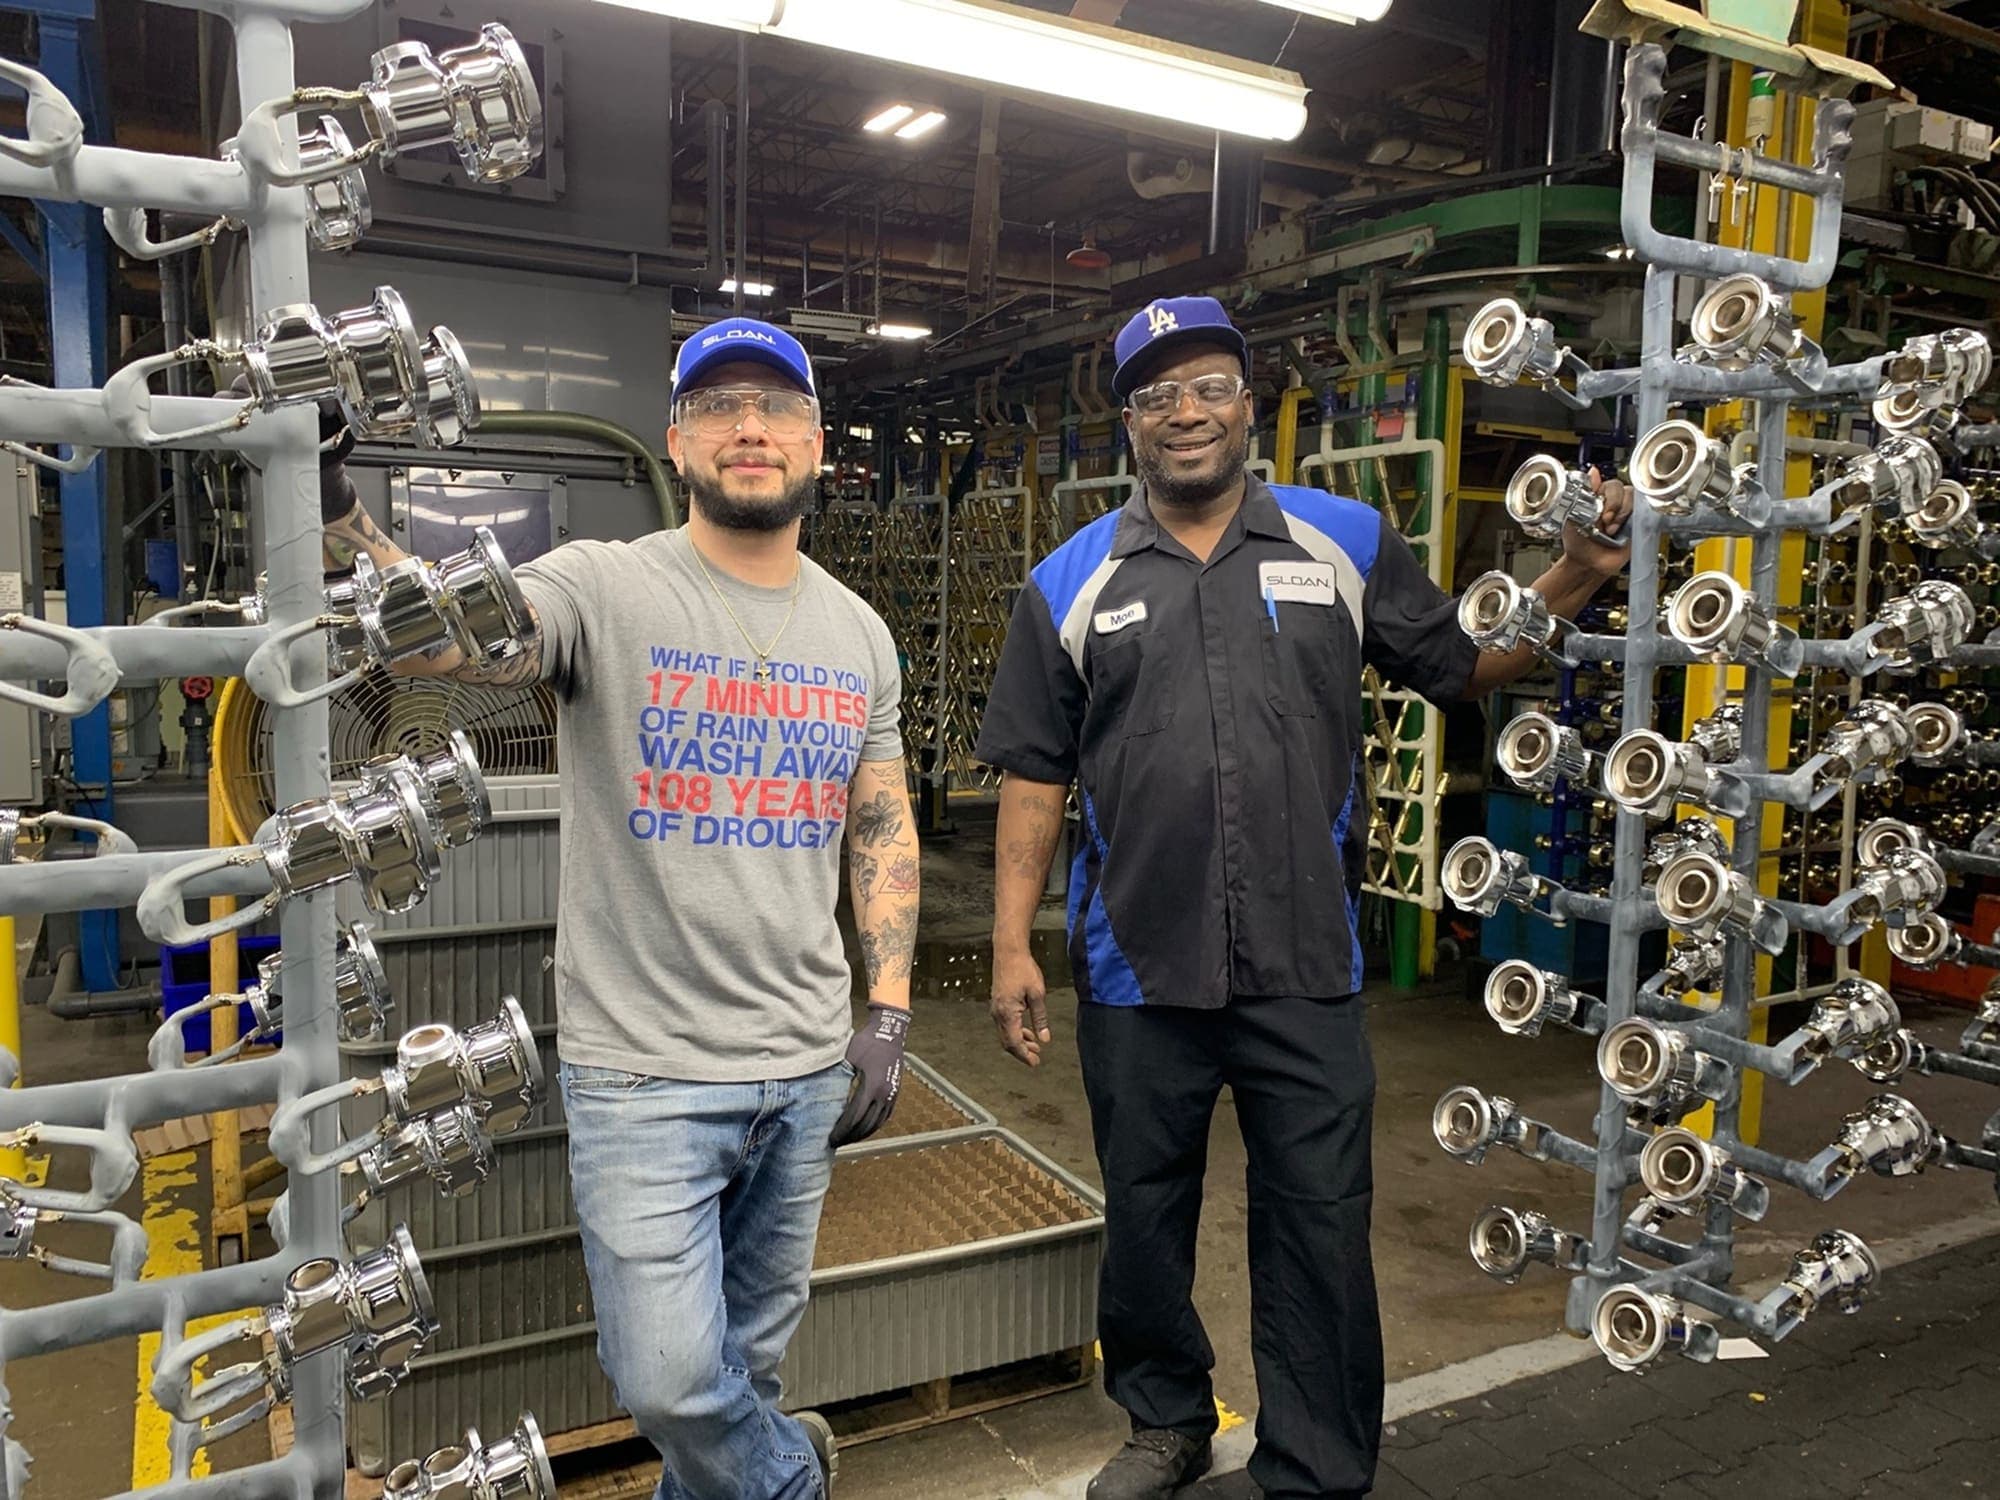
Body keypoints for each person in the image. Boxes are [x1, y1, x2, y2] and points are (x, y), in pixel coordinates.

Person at [974, 296, 1631, 1500]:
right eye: (1156, 395)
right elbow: (1032, 776)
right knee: (1143, 1214)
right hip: (1134, 967)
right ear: (1128, 424)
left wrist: (1578, 570)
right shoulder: (1065, 581)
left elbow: (1463, 665)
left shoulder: (1344, 541)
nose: (1185, 413)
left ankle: (1317, 1462)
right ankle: (1166, 1420)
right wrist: (1013, 943)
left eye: (1208, 385)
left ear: (1246, 401)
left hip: (1305, 962)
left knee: (1318, 1221)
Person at [317, 316, 921, 1500]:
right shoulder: (603, 583)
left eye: (776, 409)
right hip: (643, 1071)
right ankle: (792, 1475)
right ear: (677, 443)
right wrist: (339, 503)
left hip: (801, 1071)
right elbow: (447, 640)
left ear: (814, 444)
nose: (749, 429)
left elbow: (883, 823)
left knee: (742, 1363)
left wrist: (888, 1010)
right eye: (717, 410)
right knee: (669, 1383)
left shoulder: (859, 632)